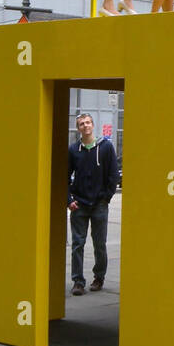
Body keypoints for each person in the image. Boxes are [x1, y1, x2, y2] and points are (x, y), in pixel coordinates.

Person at [67, 112, 119, 296]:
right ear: (78, 128)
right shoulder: (74, 150)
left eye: (88, 122)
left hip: (99, 205)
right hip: (79, 205)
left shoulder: (105, 147)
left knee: (99, 244)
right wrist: (69, 200)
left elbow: (113, 175)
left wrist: (105, 197)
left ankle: (99, 277)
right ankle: (78, 281)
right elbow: (63, 176)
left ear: (93, 125)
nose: (85, 126)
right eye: (82, 124)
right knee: (77, 244)